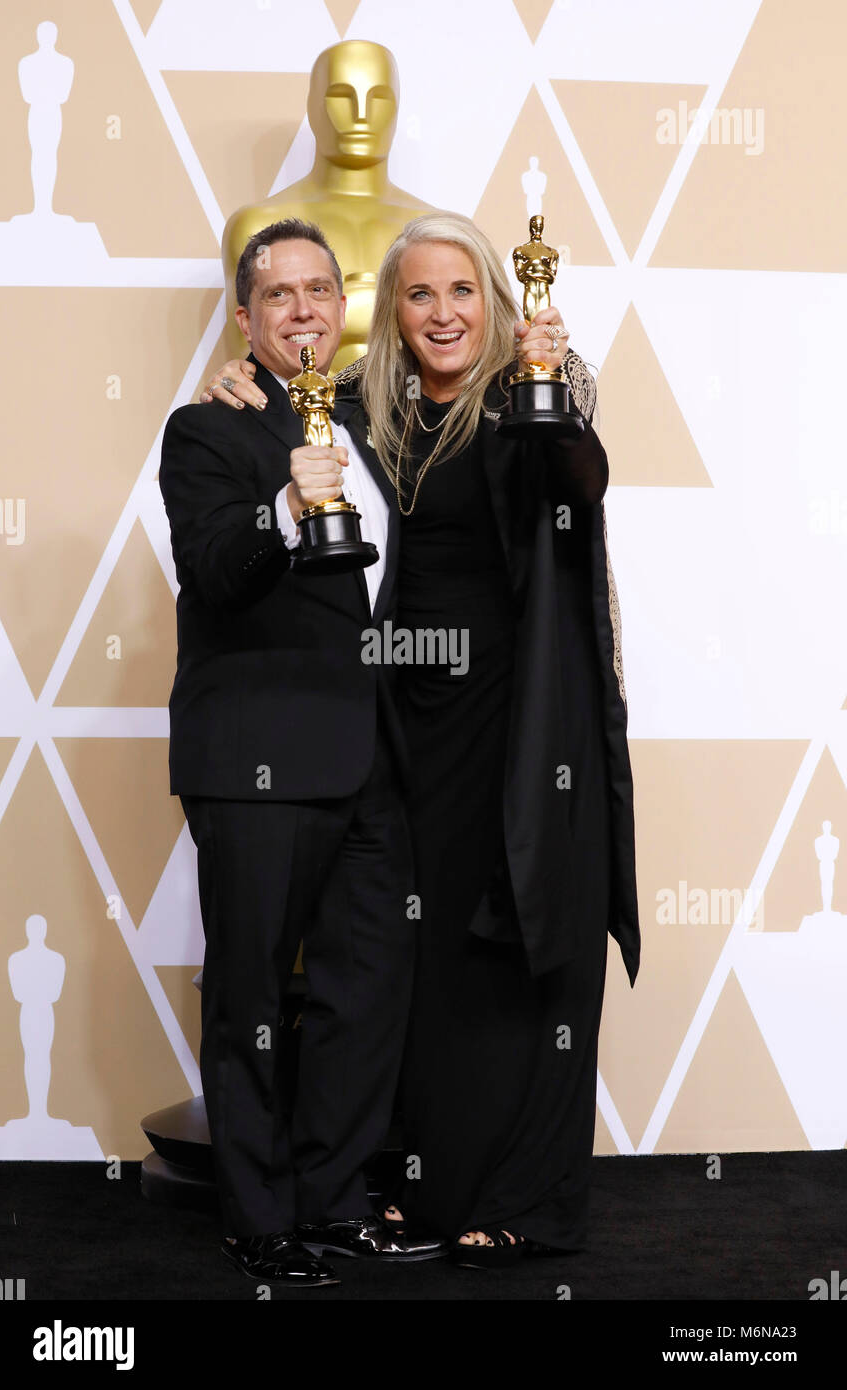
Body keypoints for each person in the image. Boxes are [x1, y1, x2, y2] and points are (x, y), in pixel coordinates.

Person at [203, 211, 640, 1267]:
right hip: (410, 721)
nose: (443, 313)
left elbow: (584, 481)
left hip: (526, 716)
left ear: (496, 299)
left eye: (462, 292)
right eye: (419, 294)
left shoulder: (529, 394)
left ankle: (529, 1199)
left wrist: (556, 381)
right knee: (432, 955)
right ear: (389, 314)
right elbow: (287, 416)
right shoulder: (364, 409)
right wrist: (237, 378)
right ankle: (436, 1188)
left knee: (531, 940)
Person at [160, 217, 445, 1288]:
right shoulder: (206, 430)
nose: (303, 310)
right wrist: (287, 499)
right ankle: (259, 1217)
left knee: (364, 989)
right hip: (257, 760)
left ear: (343, 304)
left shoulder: (373, 425)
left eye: (319, 290)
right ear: (244, 316)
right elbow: (215, 567)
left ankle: (334, 1203)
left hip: (372, 758)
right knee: (251, 997)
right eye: (277, 295)